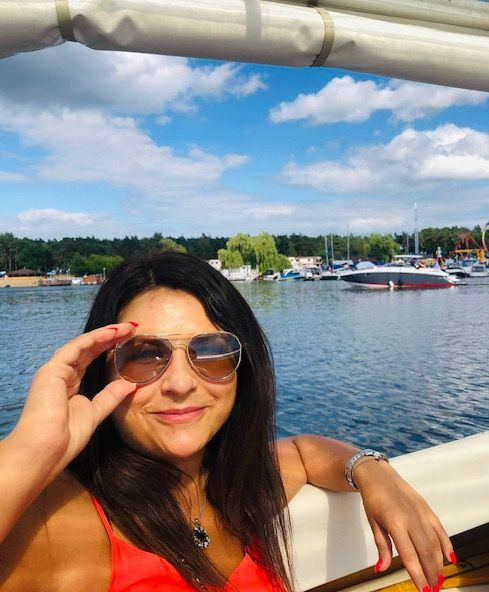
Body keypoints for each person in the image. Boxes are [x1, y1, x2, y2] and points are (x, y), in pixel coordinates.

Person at [0, 251, 453, 592]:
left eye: (211, 351)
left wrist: (372, 471)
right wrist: (31, 450)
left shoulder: (233, 483)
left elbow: (302, 452)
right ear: (103, 373)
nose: (181, 383)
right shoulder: (61, 524)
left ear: (243, 369)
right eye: (143, 355)